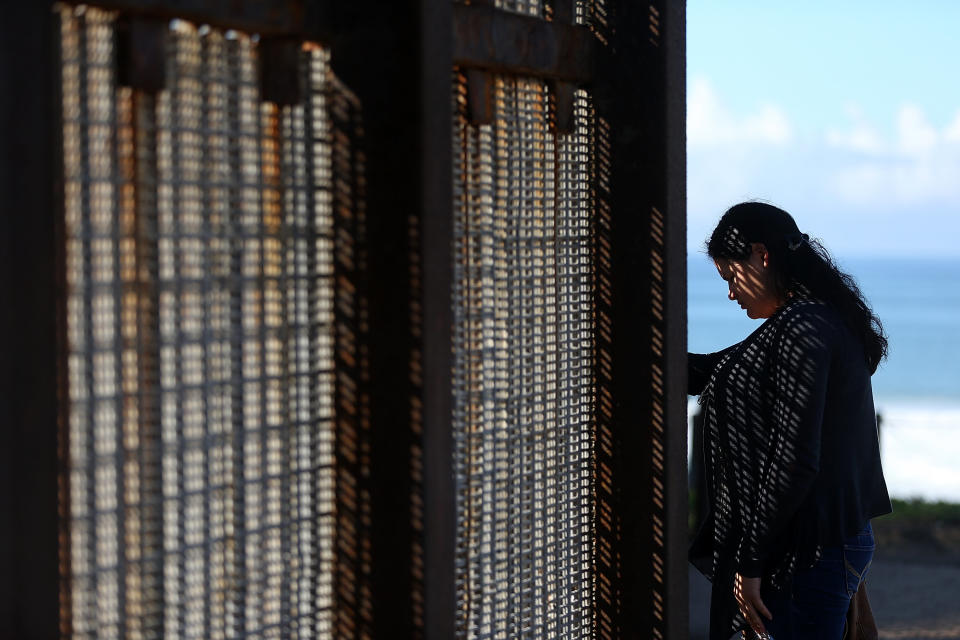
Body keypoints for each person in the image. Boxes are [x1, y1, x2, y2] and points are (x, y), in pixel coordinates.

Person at [688, 202, 892, 640]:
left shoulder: (804, 328)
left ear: (761, 256)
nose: (730, 293)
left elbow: (796, 456)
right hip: (817, 544)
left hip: (805, 554)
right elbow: (709, 370)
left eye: (730, 277)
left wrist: (751, 561)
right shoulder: (806, 323)